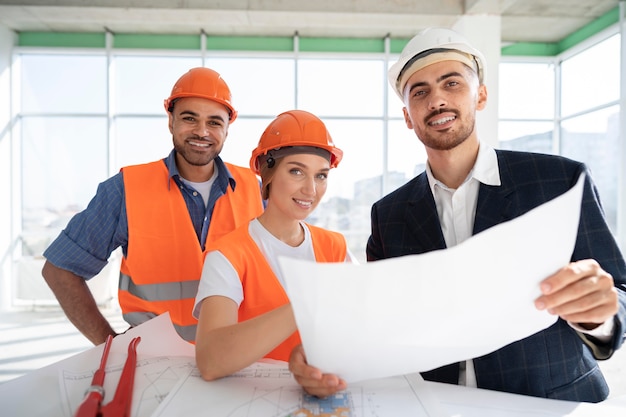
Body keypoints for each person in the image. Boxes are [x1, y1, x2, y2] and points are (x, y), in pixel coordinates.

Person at [289, 27, 626, 403]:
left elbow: (620, 291)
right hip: (436, 404)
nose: (437, 100)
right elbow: (380, 322)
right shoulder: (389, 214)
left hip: (549, 403)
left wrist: (599, 313)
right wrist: (327, 357)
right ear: (407, 116)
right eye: (420, 92)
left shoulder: (559, 180)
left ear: (480, 95)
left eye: (452, 84)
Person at [41, 67, 264, 345]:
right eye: (189, 118)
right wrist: (109, 344)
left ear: (228, 128)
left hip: (236, 356)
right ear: (170, 121)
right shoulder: (125, 189)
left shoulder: (256, 191)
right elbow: (60, 269)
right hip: (155, 362)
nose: (202, 131)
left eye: (215, 122)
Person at [193, 109, 355, 381]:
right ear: (267, 174)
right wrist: (307, 303)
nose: (311, 190)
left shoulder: (335, 247)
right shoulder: (228, 255)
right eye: (296, 171)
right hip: (251, 399)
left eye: (321, 176)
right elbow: (210, 360)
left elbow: (357, 329)